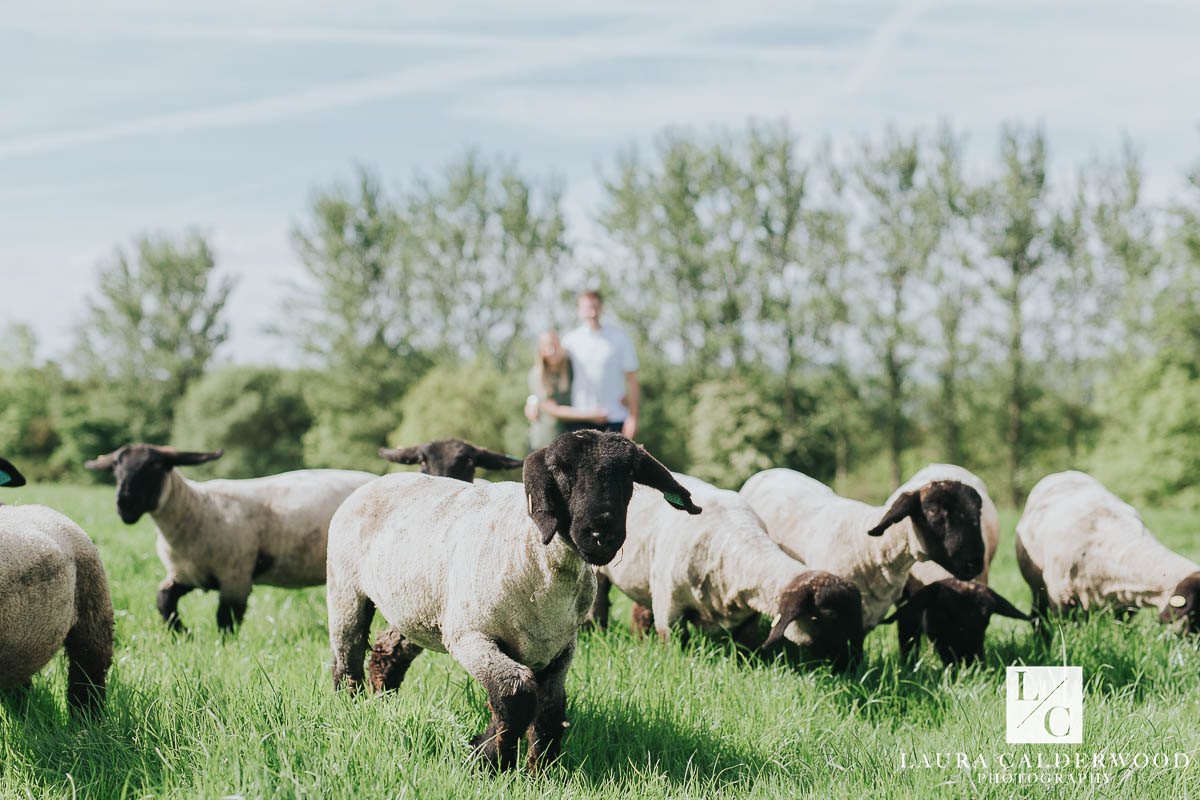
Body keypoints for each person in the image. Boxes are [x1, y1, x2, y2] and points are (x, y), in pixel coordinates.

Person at [560, 290, 639, 438]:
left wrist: (633, 417)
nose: (592, 312)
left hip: (615, 418)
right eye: (587, 307)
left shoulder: (620, 338)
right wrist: (533, 399)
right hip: (581, 417)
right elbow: (548, 367)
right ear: (579, 310)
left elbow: (632, 379)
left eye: (595, 306)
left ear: (602, 307)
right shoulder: (569, 341)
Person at [524, 330, 608, 451]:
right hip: (544, 442)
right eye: (546, 346)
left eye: (554, 345)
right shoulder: (536, 375)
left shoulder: (572, 368)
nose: (551, 351)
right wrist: (590, 415)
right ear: (540, 350)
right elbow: (553, 410)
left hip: (569, 439)